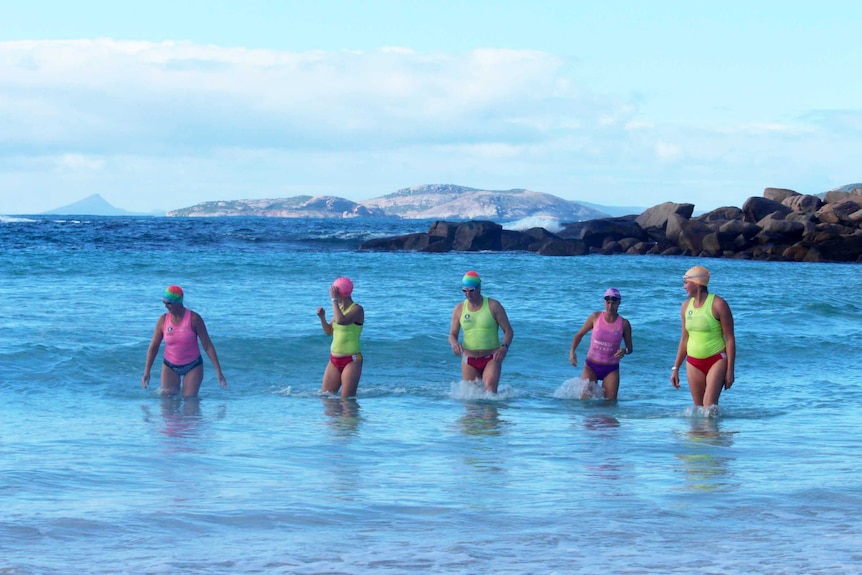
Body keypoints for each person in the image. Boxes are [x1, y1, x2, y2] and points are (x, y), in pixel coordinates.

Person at [142, 285, 227, 397]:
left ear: (178, 302)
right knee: (167, 403)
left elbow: (207, 345)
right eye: (164, 302)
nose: (166, 306)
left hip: (193, 366)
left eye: (168, 303)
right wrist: (147, 371)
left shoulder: (194, 319)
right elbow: (154, 346)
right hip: (169, 366)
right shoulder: (163, 320)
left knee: (190, 402)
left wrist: (218, 371)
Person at [670, 265, 736, 409]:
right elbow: (684, 339)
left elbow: (730, 338)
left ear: (697, 284)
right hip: (693, 362)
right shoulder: (685, 306)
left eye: (686, 283)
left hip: (716, 359)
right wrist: (676, 368)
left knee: (709, 406)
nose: (684, 287)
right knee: (699, 409)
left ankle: (714, 432)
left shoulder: (719, 304)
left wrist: (730, 371)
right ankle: (700, 432)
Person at [448, 271, 514, 393]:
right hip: (469, 359)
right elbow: (452, 335)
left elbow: (508, 331)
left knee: (490, 392)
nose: (468, 294)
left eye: (471, 290)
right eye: (464, 290)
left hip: (492, 358)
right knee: (472, 402)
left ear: (479, 288)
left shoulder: (494, 305)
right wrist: (454, 343)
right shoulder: (459, 309)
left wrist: (504, 347)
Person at [569, 287, 633, 400]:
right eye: (607, 303)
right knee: (585, 403)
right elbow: (579, 335)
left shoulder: (624, 324)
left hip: (611, 369)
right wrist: (572, 352)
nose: (610, 306)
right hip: (591, 366)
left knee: (610, 406)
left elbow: (630, 348)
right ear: (604, 302)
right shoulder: (595, 317)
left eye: (613, 303)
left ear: (619, 303)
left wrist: (624, 351)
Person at [317, 276, 364, 398]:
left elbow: (341, 320)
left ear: (339, 293)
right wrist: (322, 317)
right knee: (327, 398)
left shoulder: (357, 309)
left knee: (347, 402)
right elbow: (328, 332)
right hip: (334, 360)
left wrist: (333, 300)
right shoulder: (340, 309)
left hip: (351, 360)